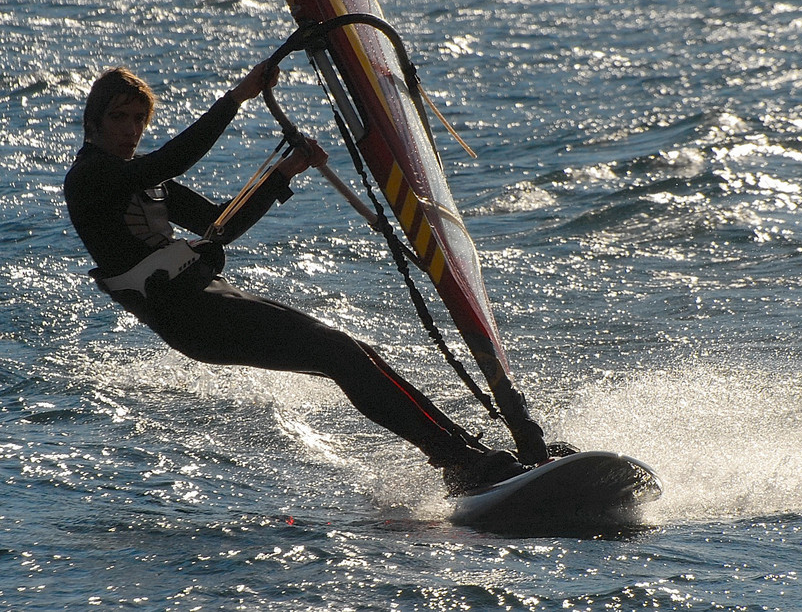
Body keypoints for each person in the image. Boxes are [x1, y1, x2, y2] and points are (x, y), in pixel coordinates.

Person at [63, 63, 545, 495]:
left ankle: (468, 455)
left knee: (348, 350)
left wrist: (283, 172)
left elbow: (218, 222)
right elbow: (169, 159)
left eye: (137, 120)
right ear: (95, 121)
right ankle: (460, 463)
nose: (130, 130)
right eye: (119, 118)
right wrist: (236, 97)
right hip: (188, 315)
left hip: (209, 300)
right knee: (334, 351)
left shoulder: (146, 179)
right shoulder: (88, 176)